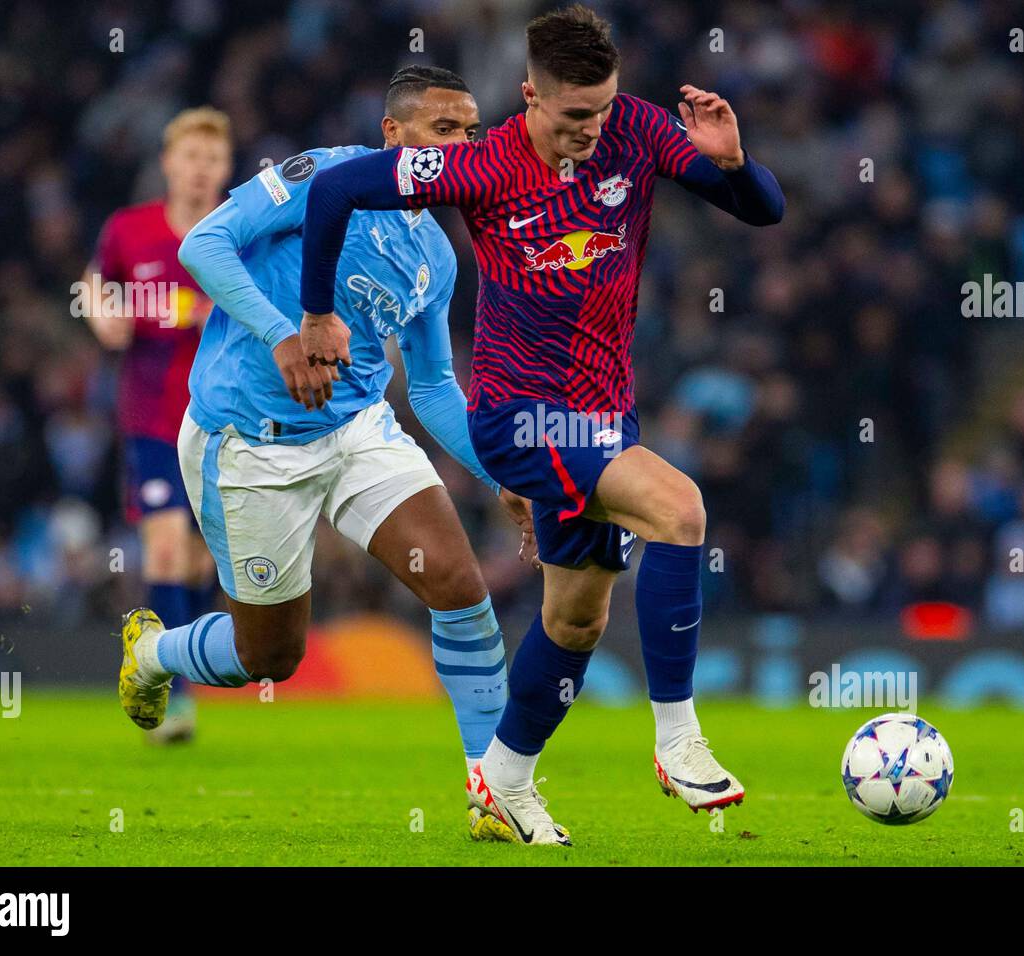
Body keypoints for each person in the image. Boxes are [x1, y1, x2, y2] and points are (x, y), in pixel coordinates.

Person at [298, 5, 784, 844]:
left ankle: (504, 778)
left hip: (605, 416)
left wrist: (736, 163)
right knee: (681, 509)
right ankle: (679, 741)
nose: (592, 130)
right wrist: (314, 317)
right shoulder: (480, 167)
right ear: (529, 96)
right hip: (518, 419)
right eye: (572, 116)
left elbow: (762, 211)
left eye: (602, 109)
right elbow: (336, 189)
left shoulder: (637, 129)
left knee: (575, 621)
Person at [117, 67, 530, 840]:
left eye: (472, 133)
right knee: (269, 658)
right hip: (247, 442)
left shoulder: (437, 254)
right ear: (393, 137)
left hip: (356, 431)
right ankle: (156, 652)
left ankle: (497, 791)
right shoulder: (323, 174)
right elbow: (205, 245)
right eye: (445, 131)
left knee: (458, 581)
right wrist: (283, 332)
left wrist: (504, 474)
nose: (463, 147)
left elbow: (436, 389)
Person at [80, 107, 234, 742]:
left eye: (213, 160)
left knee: (204, 565)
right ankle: (173, 694)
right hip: (152, 421)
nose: (200, 171)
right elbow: (95, 282)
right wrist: (100, 313)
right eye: (190, 158)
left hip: (227, 423)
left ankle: (176, 655)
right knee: (166, 546)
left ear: (226, 169)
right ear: (168, 163)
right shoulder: (131, 230)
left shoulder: (238, 231)